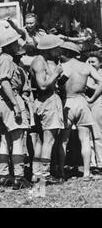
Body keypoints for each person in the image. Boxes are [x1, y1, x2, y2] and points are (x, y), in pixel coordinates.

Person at [0, 29, 31, 190]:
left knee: (5, 139)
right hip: (9, 99)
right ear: (9, 45)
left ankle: (4, 174)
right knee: (18, 138)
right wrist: (15, 104)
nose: (17, 45)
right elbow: (6, 82)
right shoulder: (7, 61)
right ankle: (19, 177)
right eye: (15, 43)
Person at [58, 42, 102, 181]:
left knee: (63, 140)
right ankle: (87, 173)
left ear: (68, 53)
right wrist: (93, 98)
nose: (60, 54)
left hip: (67, 102)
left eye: (63, 52)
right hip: (82, 101)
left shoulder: (62, 67)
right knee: (85, 139)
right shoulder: (85, 66)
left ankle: (61, 171)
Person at [29, 34, 65, 184]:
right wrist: (55, 74)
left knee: (41, 140)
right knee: (48, 141)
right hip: (47, 101)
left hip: (44, 101)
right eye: (56, 48)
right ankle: (44, 173)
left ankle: (36, 173)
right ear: (49, 49)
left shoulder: (42, 61)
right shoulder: (39, 63)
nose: (59, 50)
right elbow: (42, 85)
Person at [85, 52, 102, 174]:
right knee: (89, 133)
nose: (90, 64)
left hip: (98, 102)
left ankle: (100, 162)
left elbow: (95, 87)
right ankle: (92, 162)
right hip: (89, 103)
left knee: (97, 132)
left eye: (93, 62)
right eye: (89, 61)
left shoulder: (99, 74)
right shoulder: (89, 73)